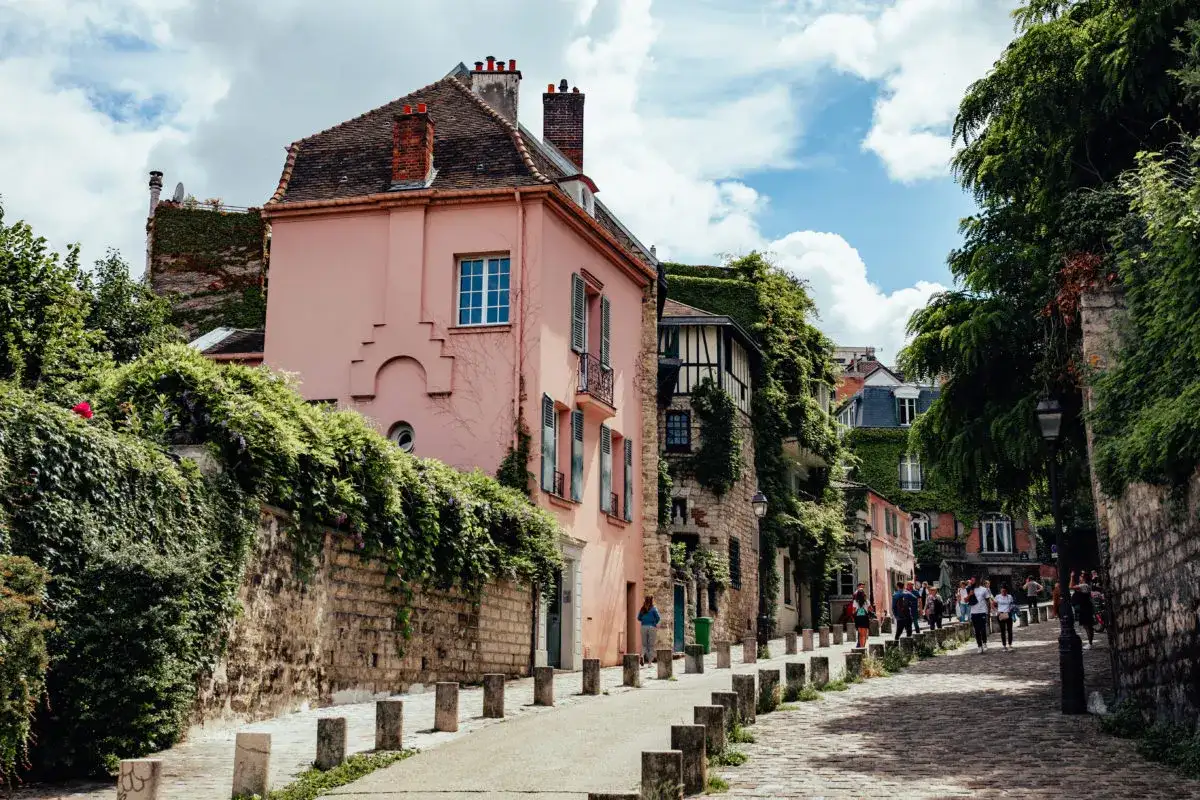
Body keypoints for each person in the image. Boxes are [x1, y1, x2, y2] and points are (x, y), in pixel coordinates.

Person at [1070, 571, 1096, 649]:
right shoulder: (1085, 585)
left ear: (1084, 578)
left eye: (1081, 576)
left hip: (1085, 608)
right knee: (1087, 626)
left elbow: (1071, 586)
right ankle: (1090, 643)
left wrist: (1071, 577)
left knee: (1088, 626)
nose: (1079, 577)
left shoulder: (1084, 585)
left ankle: (1090, 643)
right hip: (1085, 607)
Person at [969, 578, 993, 653]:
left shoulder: (984, 589)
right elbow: (966, 600)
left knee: (983, 629)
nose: (974, 582)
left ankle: (984, 643)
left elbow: (988, 600)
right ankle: (979, 646)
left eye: (975, 581)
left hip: (982, 611)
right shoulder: (969, 589)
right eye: (972, 581)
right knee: (976, 630)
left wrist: (989, 611)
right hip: (973, 612)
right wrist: (970, 594)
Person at [637, 596, 660, 665]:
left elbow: (638, 618)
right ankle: (650, 663)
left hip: (643, 627)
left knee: (644, 645)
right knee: (651, 645)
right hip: (651, 627)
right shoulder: (654, 609)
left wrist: (644, 621)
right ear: (652, 601)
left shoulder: (642, 609)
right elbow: (658, 618)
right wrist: (654, 622)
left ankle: (642, 656)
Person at [995, 584, 1017, 651]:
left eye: (1005, 591)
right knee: (1003, 631)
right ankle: (1004, 646)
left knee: (1010, 630)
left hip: (1008, 614)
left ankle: (1010, 645)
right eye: (1002, 591)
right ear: (1000, 590)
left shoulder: (1009, 596)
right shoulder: (997, 597)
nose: (1003, 592)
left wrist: (1012, 610)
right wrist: (997, 611)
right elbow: (992, 604)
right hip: (1001, 614)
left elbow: (1012, 604)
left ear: (1007, 591)